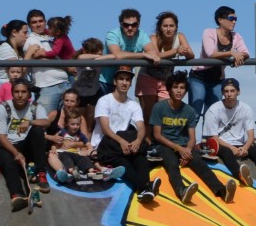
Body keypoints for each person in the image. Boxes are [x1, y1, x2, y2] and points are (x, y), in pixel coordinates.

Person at [153, 73, 234, 204]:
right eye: (175, 87)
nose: (179, 91)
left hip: (184, 146)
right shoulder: (159, 107)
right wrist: (179, 149)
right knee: (172, 164)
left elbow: (192, 137)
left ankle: (222, 191)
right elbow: (157, 135)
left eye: (182, 88)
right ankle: (182, 191)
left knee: (201, 164)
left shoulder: (189, 110)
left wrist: (188, 150)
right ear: (169, 89)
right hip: (164, 146)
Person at [95, 68, 161, 204]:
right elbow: (105, 129)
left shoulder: (133, 104)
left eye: (128, 80)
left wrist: (137, 140)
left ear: (131, 83)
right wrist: (122, 141)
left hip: (125, 144)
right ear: (114, 81)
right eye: (121, 79)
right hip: (106, 144)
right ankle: (146, 187)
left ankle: (144, 191)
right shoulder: (104, 100)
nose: (124, 82)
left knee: (140, 155)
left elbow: (141, 127)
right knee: (123, 162)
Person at [203, 78, 256, 187]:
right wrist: (233, 149)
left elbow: (251, 135)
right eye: (226, 91)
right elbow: (213, 137)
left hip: (239, 144)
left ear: (238, 92)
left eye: (232, 91)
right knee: (226, 152)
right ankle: (240, 175)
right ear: (222, 93)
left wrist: (245, 148)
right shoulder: (214, 109)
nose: (229, 94)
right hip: (220, 144)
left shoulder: (246, 108)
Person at [0, 79, 51, 212]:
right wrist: (15, 153)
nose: (20, 95)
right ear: (12, 93)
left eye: (23, 92)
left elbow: (46, 122)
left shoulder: (35, 107)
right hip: (6, 146)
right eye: (16, 92)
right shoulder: (3, 108)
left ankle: (41, 172)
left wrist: (30, 122)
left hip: (25, 146)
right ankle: (17, 194)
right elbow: (0, 137)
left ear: (29, 94)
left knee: (37, 130)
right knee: (8, 162)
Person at [193, 6, 250, 115]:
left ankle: (208, 133)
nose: (234, 22)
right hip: (199, 77)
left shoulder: (236, 36)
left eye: (235, 19)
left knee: (211, 114)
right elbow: (210, 53)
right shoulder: (209, 32)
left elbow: (246, 52)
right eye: (231, 18)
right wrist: (231, 53)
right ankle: (189, 132)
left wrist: (238, 57)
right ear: (220, 20)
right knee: (195, 114)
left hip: (217, 79)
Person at [141, 11, 194, 115]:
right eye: (165, 26)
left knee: (164, 113)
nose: (168, 29)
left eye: (171, 26)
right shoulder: (153, 38)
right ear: (160, 27)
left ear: (176, 27)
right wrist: (176, 51)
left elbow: (191, 55)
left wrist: (185, 51)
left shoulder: (180, 36)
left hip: (165, 80)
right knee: (148, 115)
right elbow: (156, 55)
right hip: (148, 77)